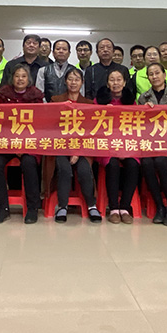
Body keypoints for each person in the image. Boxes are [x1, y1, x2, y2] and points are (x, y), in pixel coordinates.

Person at [0, 65, 44, 224]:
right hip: (6, 142)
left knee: (29, 163)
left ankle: (32, 208)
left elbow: (40, 123)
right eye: (17, 76)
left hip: (28, 143)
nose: (20, 79)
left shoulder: (36, 97)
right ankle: (2, 209)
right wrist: (12, 143)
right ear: (12, 78)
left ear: (29, 79)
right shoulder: (2, 95)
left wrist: (23, 145)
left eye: (23, 76)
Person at [51, 67, 102, 223]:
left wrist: (77, 151)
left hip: (82, 148)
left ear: (82, 82)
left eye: (77, 79)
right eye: (70, 79)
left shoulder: (88, 104)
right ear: (65, 81)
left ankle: (91, 205)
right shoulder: (55, 101)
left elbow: (90, 131)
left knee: (85, 169)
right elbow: (51, 129)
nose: (73, 82)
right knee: (64, 170)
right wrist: (68, 149)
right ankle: (62, 206)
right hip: (60, 147)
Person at [138, 63, 167, 226]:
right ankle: (159, 206)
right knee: (146, 163)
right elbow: (139, 124)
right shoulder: (143, 98)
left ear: (165, 75)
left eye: (157, 73)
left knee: (161, 162)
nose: (154, 76)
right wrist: (144, 110)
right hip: (150, 144)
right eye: (151, 74)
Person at [95, 68, 139, 224]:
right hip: (106, 145)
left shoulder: (131, 101)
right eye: (112, 80)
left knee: (133, 164)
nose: (115, 83)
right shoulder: (99, 100)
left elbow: (137, 126)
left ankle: (125, 207)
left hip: (127, 144)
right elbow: (94, 127)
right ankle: (113, 208)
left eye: (119, 79)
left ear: (125, 82)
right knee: (112, 165)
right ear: (107, 83)